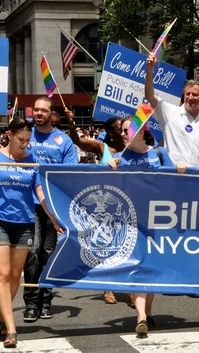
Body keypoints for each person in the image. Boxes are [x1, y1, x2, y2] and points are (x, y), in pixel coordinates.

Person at [0, 117, 61, 348]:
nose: (24, 144)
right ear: (9, 135)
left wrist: (52, 217)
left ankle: (1, 315)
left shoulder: (33, 161)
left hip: (24, 223)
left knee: (14, 275)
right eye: (21, 139)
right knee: (2, 273)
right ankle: (11, 328)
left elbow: (40, 194)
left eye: (28, 140)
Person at [108, 117, 186, 335]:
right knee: (139, 266)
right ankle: (141, 315)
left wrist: (179, 168)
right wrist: (108, 167)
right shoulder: (118, 158)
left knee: (151, 266)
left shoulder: (159, 154)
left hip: (158, 220)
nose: (122, 134)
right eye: (121, 131)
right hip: (131, 221)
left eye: (126, 130)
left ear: (141, 132)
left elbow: (174, 184)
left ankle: (148, 312)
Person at [23, 98, 78, 323]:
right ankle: (31, 303)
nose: (39, 113)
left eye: (43, 110)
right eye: (36, 109)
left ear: (51, 113)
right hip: (27, 205)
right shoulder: (25, 136)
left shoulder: (62, 141)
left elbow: (70, 175)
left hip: (53, 207)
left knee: (48, 254)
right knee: (32, 254)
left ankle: (46, 301)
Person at [65, 111, 126, 304]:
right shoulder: (102, 147)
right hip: (106, 205)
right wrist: (71, 123)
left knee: (128, 246)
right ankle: (108, 287)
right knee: (107, 246)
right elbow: (77, 140)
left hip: (128, 204)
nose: (125, 132)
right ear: (110, 132)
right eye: (120, 128)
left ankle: (132, 290)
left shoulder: (134, 148)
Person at [144, 53, 199, 168]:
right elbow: (150, 96)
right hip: (175, 176)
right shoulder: (169, 112)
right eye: (188, 94)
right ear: (184, 94)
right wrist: (150, 69)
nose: (190, 97)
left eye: (195, 94)